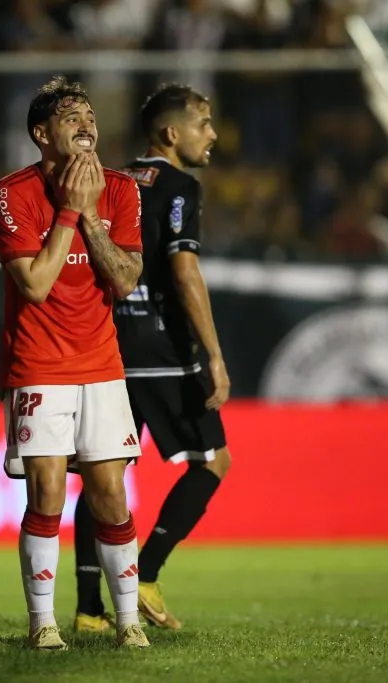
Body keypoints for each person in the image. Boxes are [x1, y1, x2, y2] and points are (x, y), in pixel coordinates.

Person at [0, 75, 149, 650]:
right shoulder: (13, 193)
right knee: (48, 494)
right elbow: (33, 283)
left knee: (110, 495)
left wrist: (88, 216)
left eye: (89, 115)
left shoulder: (122, 190)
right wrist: (68, 213)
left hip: (102, 365)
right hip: (39, 365)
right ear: (41, 133)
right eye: (69, 116)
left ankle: (127, 620)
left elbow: (127, 279)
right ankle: (43, 624)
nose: (86, 123)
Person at [72, 83, 232, 633]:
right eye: (203, 123)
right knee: (212, 460)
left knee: (102, 473)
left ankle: (90, 609)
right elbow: (184, 270)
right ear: (171, 133)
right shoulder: (180, 186)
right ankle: (146, 574)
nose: (212, 135)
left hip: (106, 346)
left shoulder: (110, 182)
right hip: (162, 348)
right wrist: (213, 354)